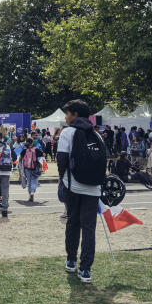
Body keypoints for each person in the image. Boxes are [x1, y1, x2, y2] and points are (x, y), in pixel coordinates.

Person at [57, 99, 106, 283]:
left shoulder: (68, 132)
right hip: (93, 187)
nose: (66, 117)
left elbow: (62, 160)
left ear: (75, 114)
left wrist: (62, 181)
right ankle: (86, 269)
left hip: (73, 185)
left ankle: (71, 260)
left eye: (67, 113)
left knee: (73, 222)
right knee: (89, 228)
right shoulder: (97, 135)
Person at [19, 138, 43, 202]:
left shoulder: (24, 150)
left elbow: (20, 158)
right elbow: (43, 155)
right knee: (34, 180)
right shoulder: (36, 149)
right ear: (32, 143)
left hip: (27, 168)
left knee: (29, 182)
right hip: (35, 167)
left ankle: (30, 195)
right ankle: (32, 192)